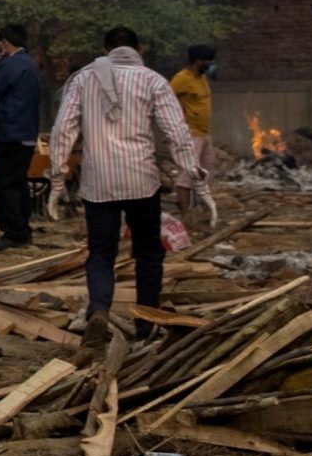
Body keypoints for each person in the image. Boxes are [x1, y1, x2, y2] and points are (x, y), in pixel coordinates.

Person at [48, 26, 208, 329]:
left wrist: (58, 178)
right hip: (141, 182)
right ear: (140, 50)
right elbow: (178, 135)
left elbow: (62, 131)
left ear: (106, 49)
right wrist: (198, 180)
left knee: (100, 253)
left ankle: (97, 311)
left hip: (98, 183)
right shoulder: (153, 81)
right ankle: (146, 323)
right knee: (148, 253)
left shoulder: (83, 80)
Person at [0, 25, 41, 248]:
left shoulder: (10, 65)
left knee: (4, 184)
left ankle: (12, 233)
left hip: (9, 131)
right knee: (19, 183)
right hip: (26, 132)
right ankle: (22, 229)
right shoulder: (31, 64)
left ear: (5, 42)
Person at [170, 45, 218, 216]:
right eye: (208, 62)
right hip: (190, 134)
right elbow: (167, 100)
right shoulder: (182, 79)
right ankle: (186, 214)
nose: (211, 65)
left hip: (204, 132)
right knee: (187, 174)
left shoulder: (201, 78)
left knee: (207, 170)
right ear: (198, 61)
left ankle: (200, 207)